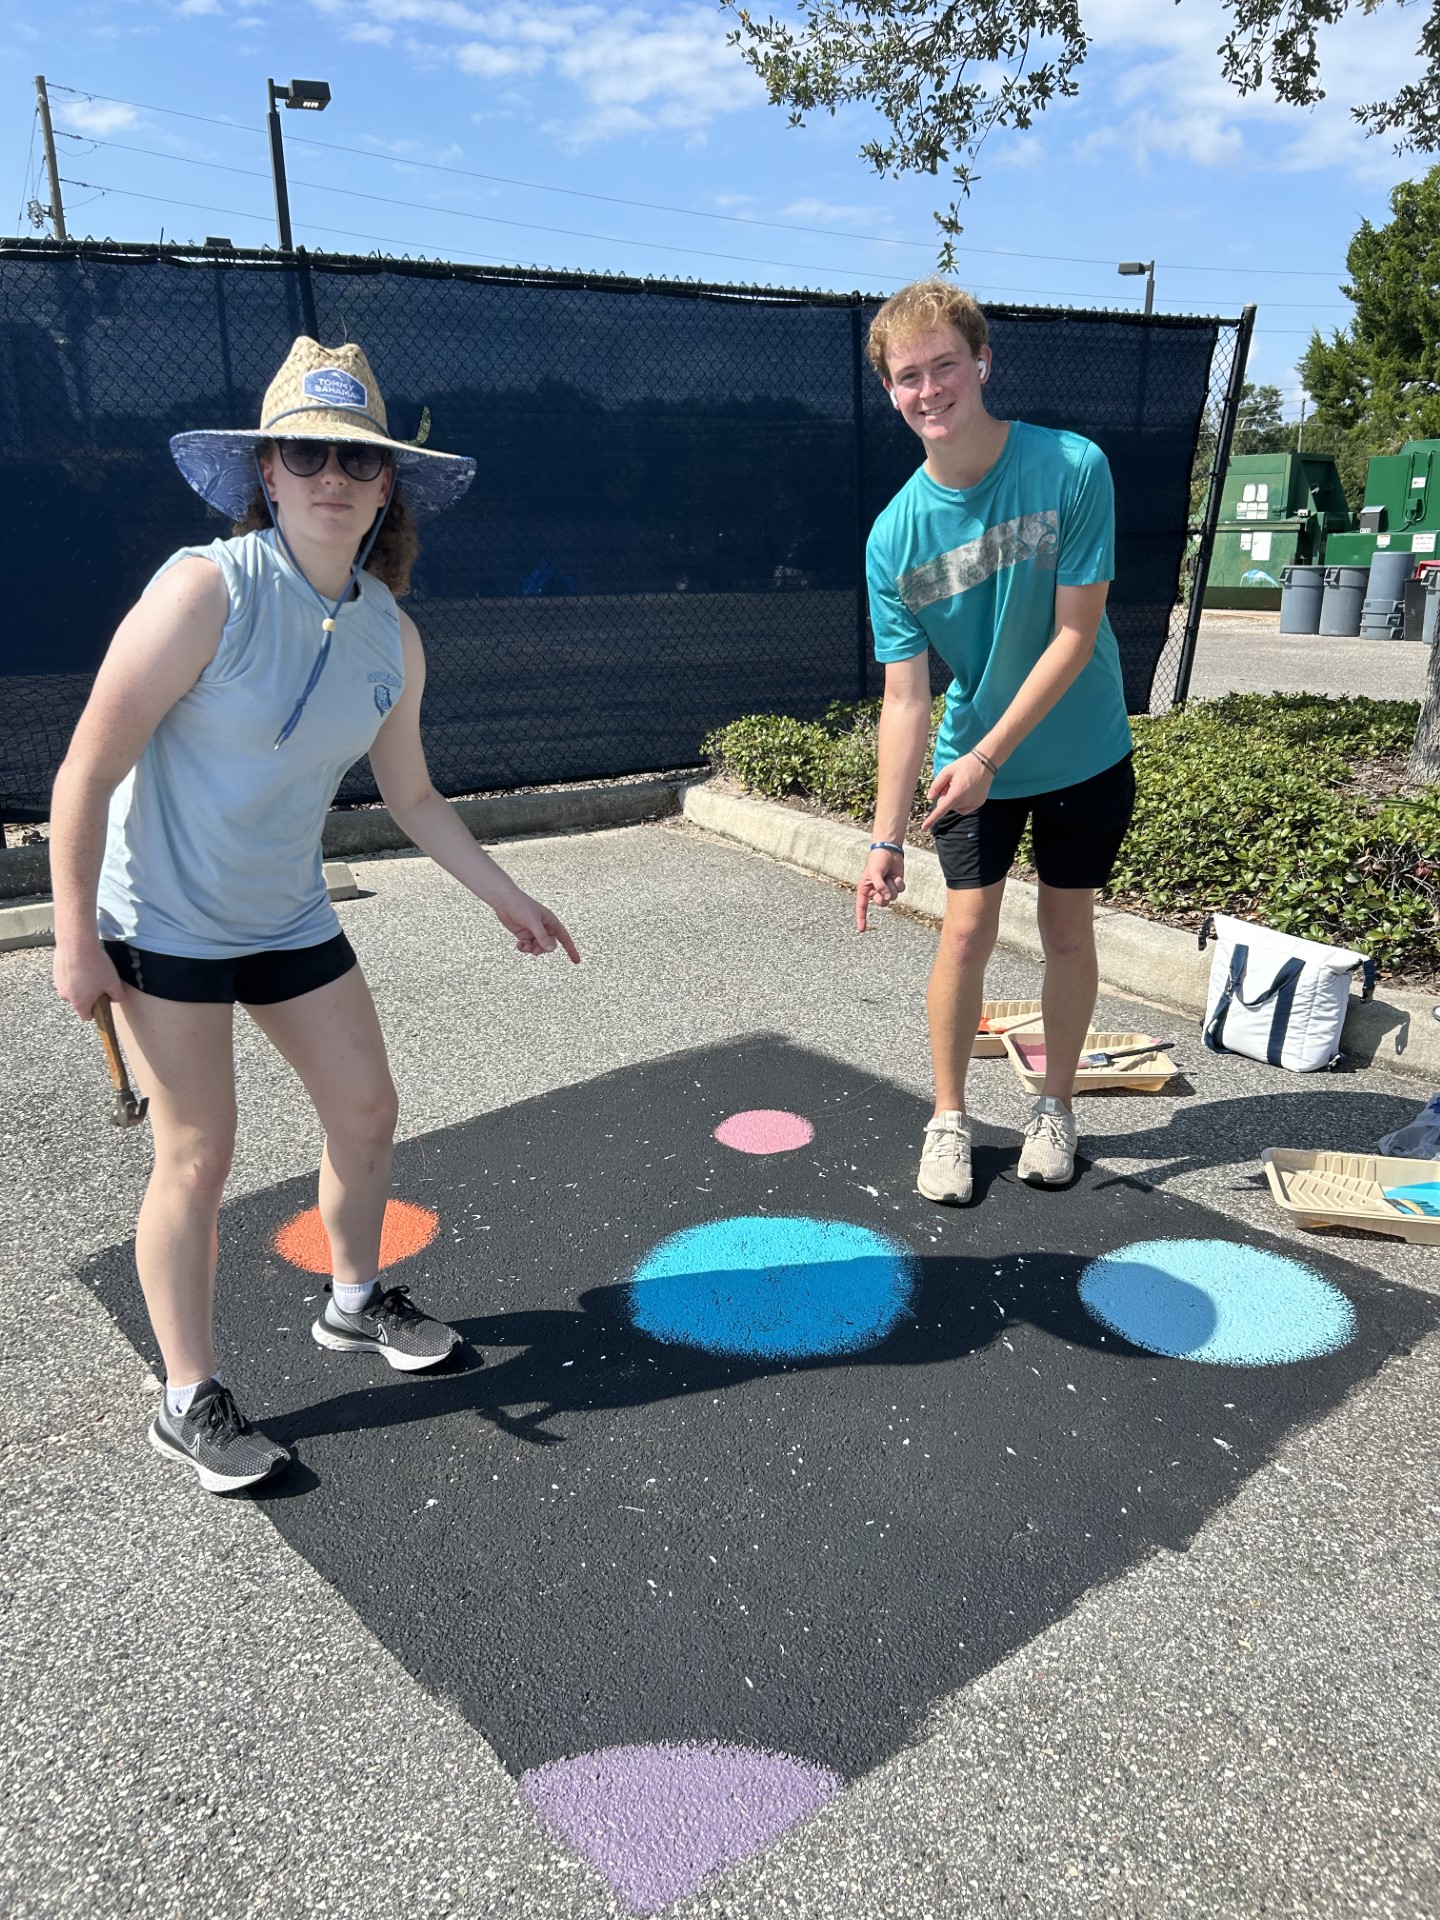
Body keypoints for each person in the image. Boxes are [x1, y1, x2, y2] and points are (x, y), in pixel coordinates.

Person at [51, 336, 580, 1494]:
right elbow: (86, 767)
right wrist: (75, 934)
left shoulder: (392, 633)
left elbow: (413, 796)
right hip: (163, 923)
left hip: (286, 913)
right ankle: (187, 1398)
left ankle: (353, 1300)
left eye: (357, 457)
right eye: (305, 453)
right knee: (199, 1153)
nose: (331, 475)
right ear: (267, 473)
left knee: (367, 1108)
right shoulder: (207, 588)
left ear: (387, 485)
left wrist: (510, 899)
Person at [856, 279, 1134, 1204]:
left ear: (982, 363)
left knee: (1065, 930)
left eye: (944, 365)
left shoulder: (1072, 467)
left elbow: (1075, 637)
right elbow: (906, 699)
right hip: (975, 766)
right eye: (908, 376)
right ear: (890, 391)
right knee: (965, 932)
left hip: (1083, 750)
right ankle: (949, 1119)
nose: (929, 389)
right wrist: (886, 837)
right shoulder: (893, 539)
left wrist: (986, 758)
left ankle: (1054, 1107)